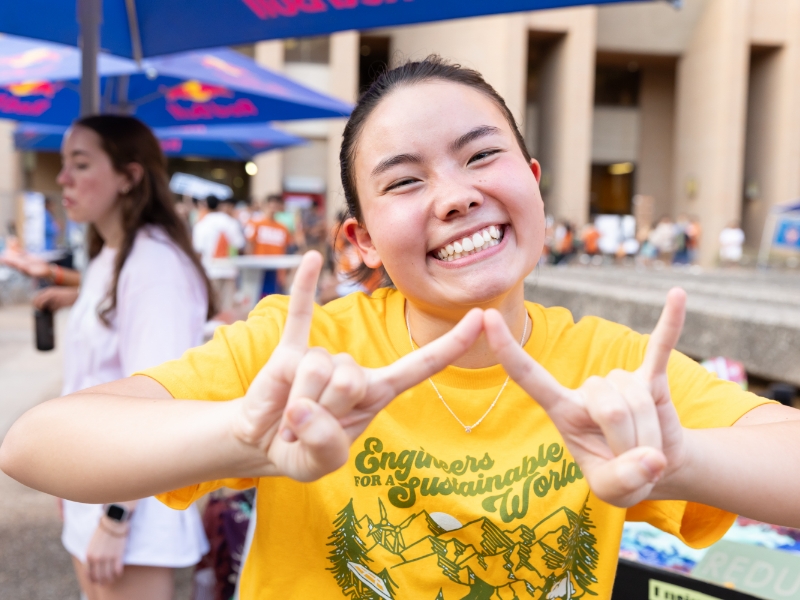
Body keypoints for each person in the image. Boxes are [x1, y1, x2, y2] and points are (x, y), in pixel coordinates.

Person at [2, 58, 800, 600]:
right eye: (406, 180)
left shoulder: (610, 364)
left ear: (533, 186)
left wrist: (684, 459)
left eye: (481, 157)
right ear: (361, 241)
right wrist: (242, 439)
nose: (454, 197)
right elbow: (36, 443)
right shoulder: (302, 350)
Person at [3, 115, 212, 600]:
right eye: (64, 163)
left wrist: (117, 517)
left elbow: (158, 406)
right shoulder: (110, 255)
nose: (63, 178)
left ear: (129, 176)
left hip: (132, 505)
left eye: (81, 163)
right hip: (98, 487)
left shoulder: (156, 265)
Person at [192, 195, 245, 311]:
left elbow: (198, 250)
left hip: (209, 269)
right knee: (227, 309)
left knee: (212, 308)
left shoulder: (201, 224)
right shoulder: (230, 222)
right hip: (229, 269)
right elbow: (239, 245)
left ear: (205, 205)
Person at [244, 194, 292, 297]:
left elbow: (286, 247)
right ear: (265, 205)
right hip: (258, 266)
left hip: (275, 268)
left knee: (273, 296)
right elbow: (249, 244)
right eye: (271, 205)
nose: (273, 208)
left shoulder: (282, 227)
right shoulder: (255, 223)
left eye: (276, 205)